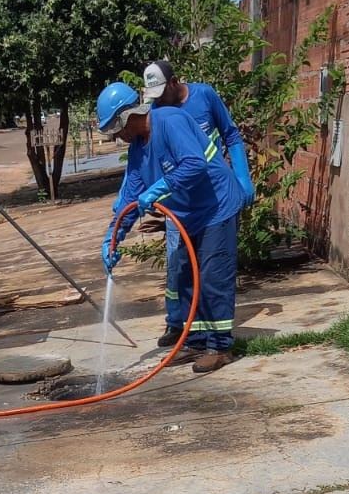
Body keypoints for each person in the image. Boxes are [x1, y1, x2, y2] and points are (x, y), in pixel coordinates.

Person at [97, 81, 245, 374]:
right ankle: (195, 341)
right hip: (187, 214)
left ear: (127, 117)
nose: (118, 136)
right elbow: (130, 197)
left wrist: (161, 187)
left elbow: (194, 164)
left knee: (213, 277)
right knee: (186, 280)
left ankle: (220, 347)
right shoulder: (139, 149)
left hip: (216, 207)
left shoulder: (170, 121)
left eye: (116, 128)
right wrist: (112, 237)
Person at [141, 60, 255, 348]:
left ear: (174, 81)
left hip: (213, 197)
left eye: (161, 94)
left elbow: (231, 135)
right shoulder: (157, 112)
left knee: (211, 273)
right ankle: (181, 328)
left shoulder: (204, 96)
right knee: (181, 270)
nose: (157, 103)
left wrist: (242, 176)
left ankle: (216, 343)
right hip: (182, 205)